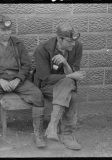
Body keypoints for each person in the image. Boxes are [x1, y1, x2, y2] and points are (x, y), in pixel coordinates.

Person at [0, 15, 46, 150]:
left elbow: (27, 65)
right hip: (0, 80)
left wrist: (18, 79)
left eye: (9, 30)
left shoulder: (18, 43)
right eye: (3, 30)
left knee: (38, 96)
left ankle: (38, 134)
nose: (7, 33)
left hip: (18, 79)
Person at [33, 22, 86, 150]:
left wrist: (66, 64)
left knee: (71, 93)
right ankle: (62, 132)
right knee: (70, 92)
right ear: (59, 39)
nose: (72, 44)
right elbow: (45, 78)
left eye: (74, 41)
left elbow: (73, 71)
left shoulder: (77, 47)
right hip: (46, 86)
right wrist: (70, 76)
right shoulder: (42, 49)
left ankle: (57, 130)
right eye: (69, 41)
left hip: (65, 86)